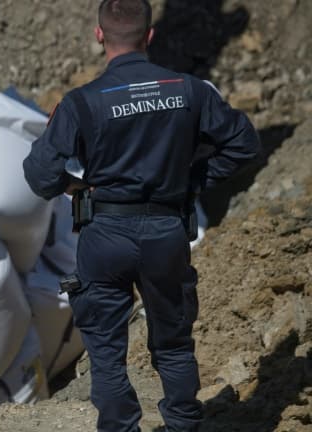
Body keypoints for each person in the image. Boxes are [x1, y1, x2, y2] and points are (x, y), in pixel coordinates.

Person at [22, 1, 260, 431]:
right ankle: (184, 425)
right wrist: (190, 181)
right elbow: (244, 145)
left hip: (105, 233)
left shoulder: (81, 103)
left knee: (107, 350)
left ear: (99, 36)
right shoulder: (190, 90)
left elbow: (39, 176)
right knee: (173, 344)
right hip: (166, 233)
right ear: (150, 36)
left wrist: (75, 186)